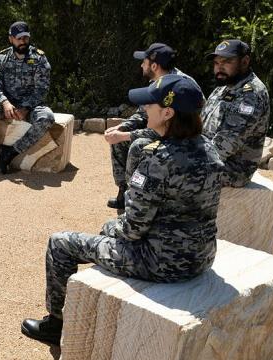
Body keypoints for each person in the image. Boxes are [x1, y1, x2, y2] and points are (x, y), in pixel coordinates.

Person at [21, 75, 223, 345]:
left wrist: (111, 227)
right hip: (202, 255)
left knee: (60, 243)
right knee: (108, 231)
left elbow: (132, 229)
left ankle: (56, 325)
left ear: (167, 113)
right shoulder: (210, 150)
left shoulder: (157, 160)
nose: (143, 111)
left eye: (149, 106)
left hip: (162, 263)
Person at [104, 43, 199, 209]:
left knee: (137, 145)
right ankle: (124, 191)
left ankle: (136, 199)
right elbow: (143, 114)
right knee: (119, 138)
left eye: (144, 62)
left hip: (179, 139)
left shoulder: (178, 86)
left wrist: (127, 135)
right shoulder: (157, 81)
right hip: (164, 131)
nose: (141, 65)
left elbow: (167, 128)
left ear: (154, 66)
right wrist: (122, 128)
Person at [0, 21, 55, 175]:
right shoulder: (1, 58)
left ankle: (10, 152)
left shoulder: (39, 58)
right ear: (11, 39)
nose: (23, 41)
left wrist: (26, 107)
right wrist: (4, 102)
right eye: (19, 38)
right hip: (4, 102)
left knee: (47, 118)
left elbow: (42, 89)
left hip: (30, 104)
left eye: (25, 38)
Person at [202, 39, 270, 187]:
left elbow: (225, 145)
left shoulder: (251, 94)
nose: (219, 68)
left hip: (233, 169)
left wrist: (186, 157)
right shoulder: (224, 87)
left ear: (245, 62)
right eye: (216, 63)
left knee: (167, 170)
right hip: (209, 157)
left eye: (226, 62)